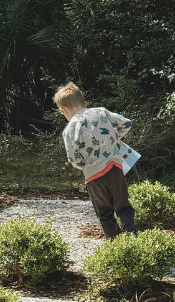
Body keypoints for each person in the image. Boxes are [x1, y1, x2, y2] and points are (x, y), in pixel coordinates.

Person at [53, 82, 140, 239]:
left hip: (93, 177)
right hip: (114, 167)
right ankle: (131, 234)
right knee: (123, 205)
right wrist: (113, 139)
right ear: (85, 104)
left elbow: (73, 159)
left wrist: (85, 166)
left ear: (63, 110)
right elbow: (126, 123)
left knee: (105, 213)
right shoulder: (101, 112)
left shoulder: (69, 129)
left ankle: (114, 245)